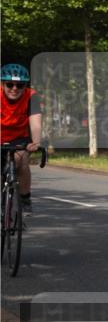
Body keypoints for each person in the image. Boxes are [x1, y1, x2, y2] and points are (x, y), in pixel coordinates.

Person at [0, 64, 42, 214]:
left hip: (19, 138)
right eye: (10, 84)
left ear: (25, 86)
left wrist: (36, 142)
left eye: (20, 85)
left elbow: (35, 122)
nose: (15, 88)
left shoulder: (32, 96)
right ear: (2, 84)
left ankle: (25, 198)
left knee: (22, 161)